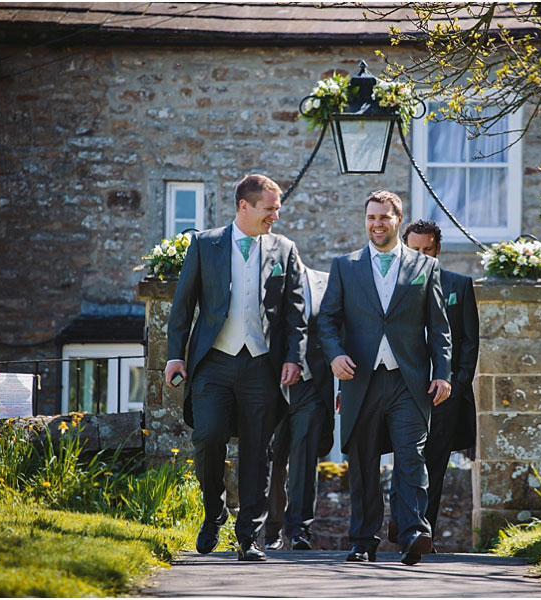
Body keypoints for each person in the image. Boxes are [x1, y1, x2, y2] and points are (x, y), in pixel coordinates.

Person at [164, 173, 306, 562]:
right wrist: (176, 354)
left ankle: (249, 538)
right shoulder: (205, 244)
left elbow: (295, 313)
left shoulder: (284, 249)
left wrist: (293, 357)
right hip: (213, 362)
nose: (275, 215)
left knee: (258, 451)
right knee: (207, 437)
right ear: (245, 206)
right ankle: (215, 513)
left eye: (277, 208)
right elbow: (183, 306)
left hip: (262, 365)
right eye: (270, 208)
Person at [317, 190, 451, 566]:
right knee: (362, 464)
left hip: (409, 381)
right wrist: (335, 354)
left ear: (397, 219)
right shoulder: (345, 266)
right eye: (371, 217)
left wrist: (443, 374)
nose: (377, 224)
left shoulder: (424, 267)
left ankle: (413, 534)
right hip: (361, 378)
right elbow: (327, 320)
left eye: (384, 217)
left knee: (411, 457)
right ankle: (363, 540)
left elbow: (439, 329)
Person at [389, 220, 479, 550]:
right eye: (415, 250)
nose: (422, 255)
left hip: (444, 393)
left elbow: (469, 341)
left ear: (438, 249)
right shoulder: (392, 287)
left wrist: (457, 384)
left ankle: (422, 532)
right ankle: (402, 520)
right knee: (405, 459)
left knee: (436, 465)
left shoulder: (459, 285)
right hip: (403, 390)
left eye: (428, 249)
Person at [265, 257, 335, 552]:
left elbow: (338, 332)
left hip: (312, 386)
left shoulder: (327, 283)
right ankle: (269, 530)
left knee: (304, 458)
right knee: (272, 460)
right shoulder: (264, 283)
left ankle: (299, 530)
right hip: (271, 386)